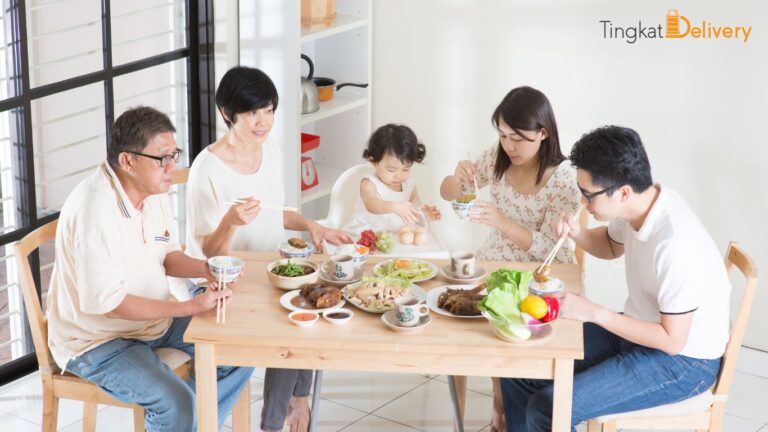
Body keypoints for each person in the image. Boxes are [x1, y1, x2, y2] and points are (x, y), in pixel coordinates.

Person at [500, 126, 730, 431]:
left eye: (588, 195)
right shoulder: (640, 205)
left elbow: (672, 341)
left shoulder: (675, 243)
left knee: (550, 407)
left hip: (685, 361)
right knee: (520, 367)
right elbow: (610, 246)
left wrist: (596, 313)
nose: (583, 203)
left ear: (622, 192)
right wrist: (578, 233)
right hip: (639, 330)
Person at [46, 106, 252, 432]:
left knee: (239, 348)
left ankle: (192, 425)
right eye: (162, 158)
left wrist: (207, 268)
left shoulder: (154, 191)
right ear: (128, 161)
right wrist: (187, 306)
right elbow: (110, 305)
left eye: (174, 155)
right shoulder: (94, 212)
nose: (172, 167)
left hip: (153, 322)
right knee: (175, 404)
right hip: (97, 343)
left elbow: (166, 254)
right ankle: (186, 419)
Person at [185, 66, 350, 432]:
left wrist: (312, 225)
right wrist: (230, 222)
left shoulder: (270, 150)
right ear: (227, 114)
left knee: (309, 304)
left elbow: (277, 213)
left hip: (266, 271)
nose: (263, 122)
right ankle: (282, 416)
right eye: (251, 113)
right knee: (292, 320)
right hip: (220, 280)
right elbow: (206, 252)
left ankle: (294, 401)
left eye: (269, 110)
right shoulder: (206, 169)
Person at [440, 86, 580, 431]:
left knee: (508, 317)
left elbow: (551, 244)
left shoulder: (563, 178)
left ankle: (504, 406)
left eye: (518, 138)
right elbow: (447, 193)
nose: (509, 146)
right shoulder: (499, 156)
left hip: (544, 268)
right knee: (464, 307)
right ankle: (500, 404)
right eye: (503, 135)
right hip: (496, 261)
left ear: (543, 133)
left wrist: (501, 221)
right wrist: (457, 181)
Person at [343, 123, 441, 236]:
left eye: (405, 169)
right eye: (391, 170)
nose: (399, 176)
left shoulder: (409, 184)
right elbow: (372, 205)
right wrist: (395, 207)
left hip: (394, 235)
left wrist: (423, 215)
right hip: (365, 234)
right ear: (373, 161)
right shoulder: (369, 183)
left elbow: (414, 208)